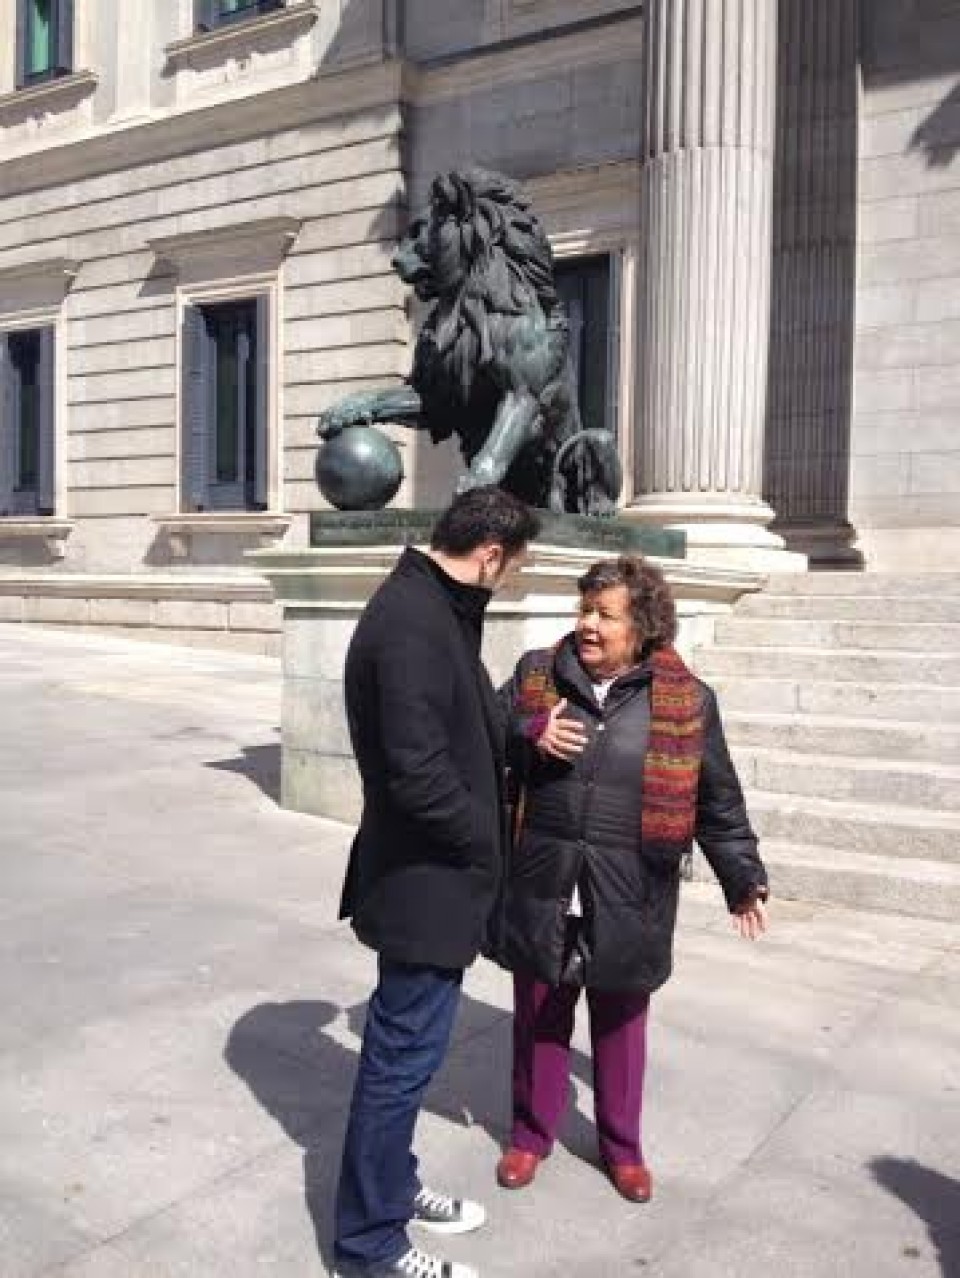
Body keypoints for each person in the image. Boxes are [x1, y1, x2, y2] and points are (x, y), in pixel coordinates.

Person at [494, 555, 769, 1203]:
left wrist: (742, 876)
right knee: (538, 1016)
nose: (588, 624)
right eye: (585, 610)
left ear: (642, 626)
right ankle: (530, 1135)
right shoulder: (536, 675)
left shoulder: (688, 700)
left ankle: (622, 1148)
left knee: (620, 1024)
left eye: (606, 615)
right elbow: (484, 731)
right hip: (545, 879)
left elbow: (717, 799)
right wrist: (529, 732)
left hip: (630, 890)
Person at [332, 487, 541, 1278]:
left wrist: (525, 733)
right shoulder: (412, 624)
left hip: (434, 879)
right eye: (510, 569)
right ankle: (371, 1245)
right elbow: (417, 777)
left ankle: (393, 1186)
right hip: (425, 885)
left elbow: (464, 720)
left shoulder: (437, 609)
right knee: (398, 1066)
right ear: (489, 555)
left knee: (407, 1062)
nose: (506, 583)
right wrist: (485, 846)